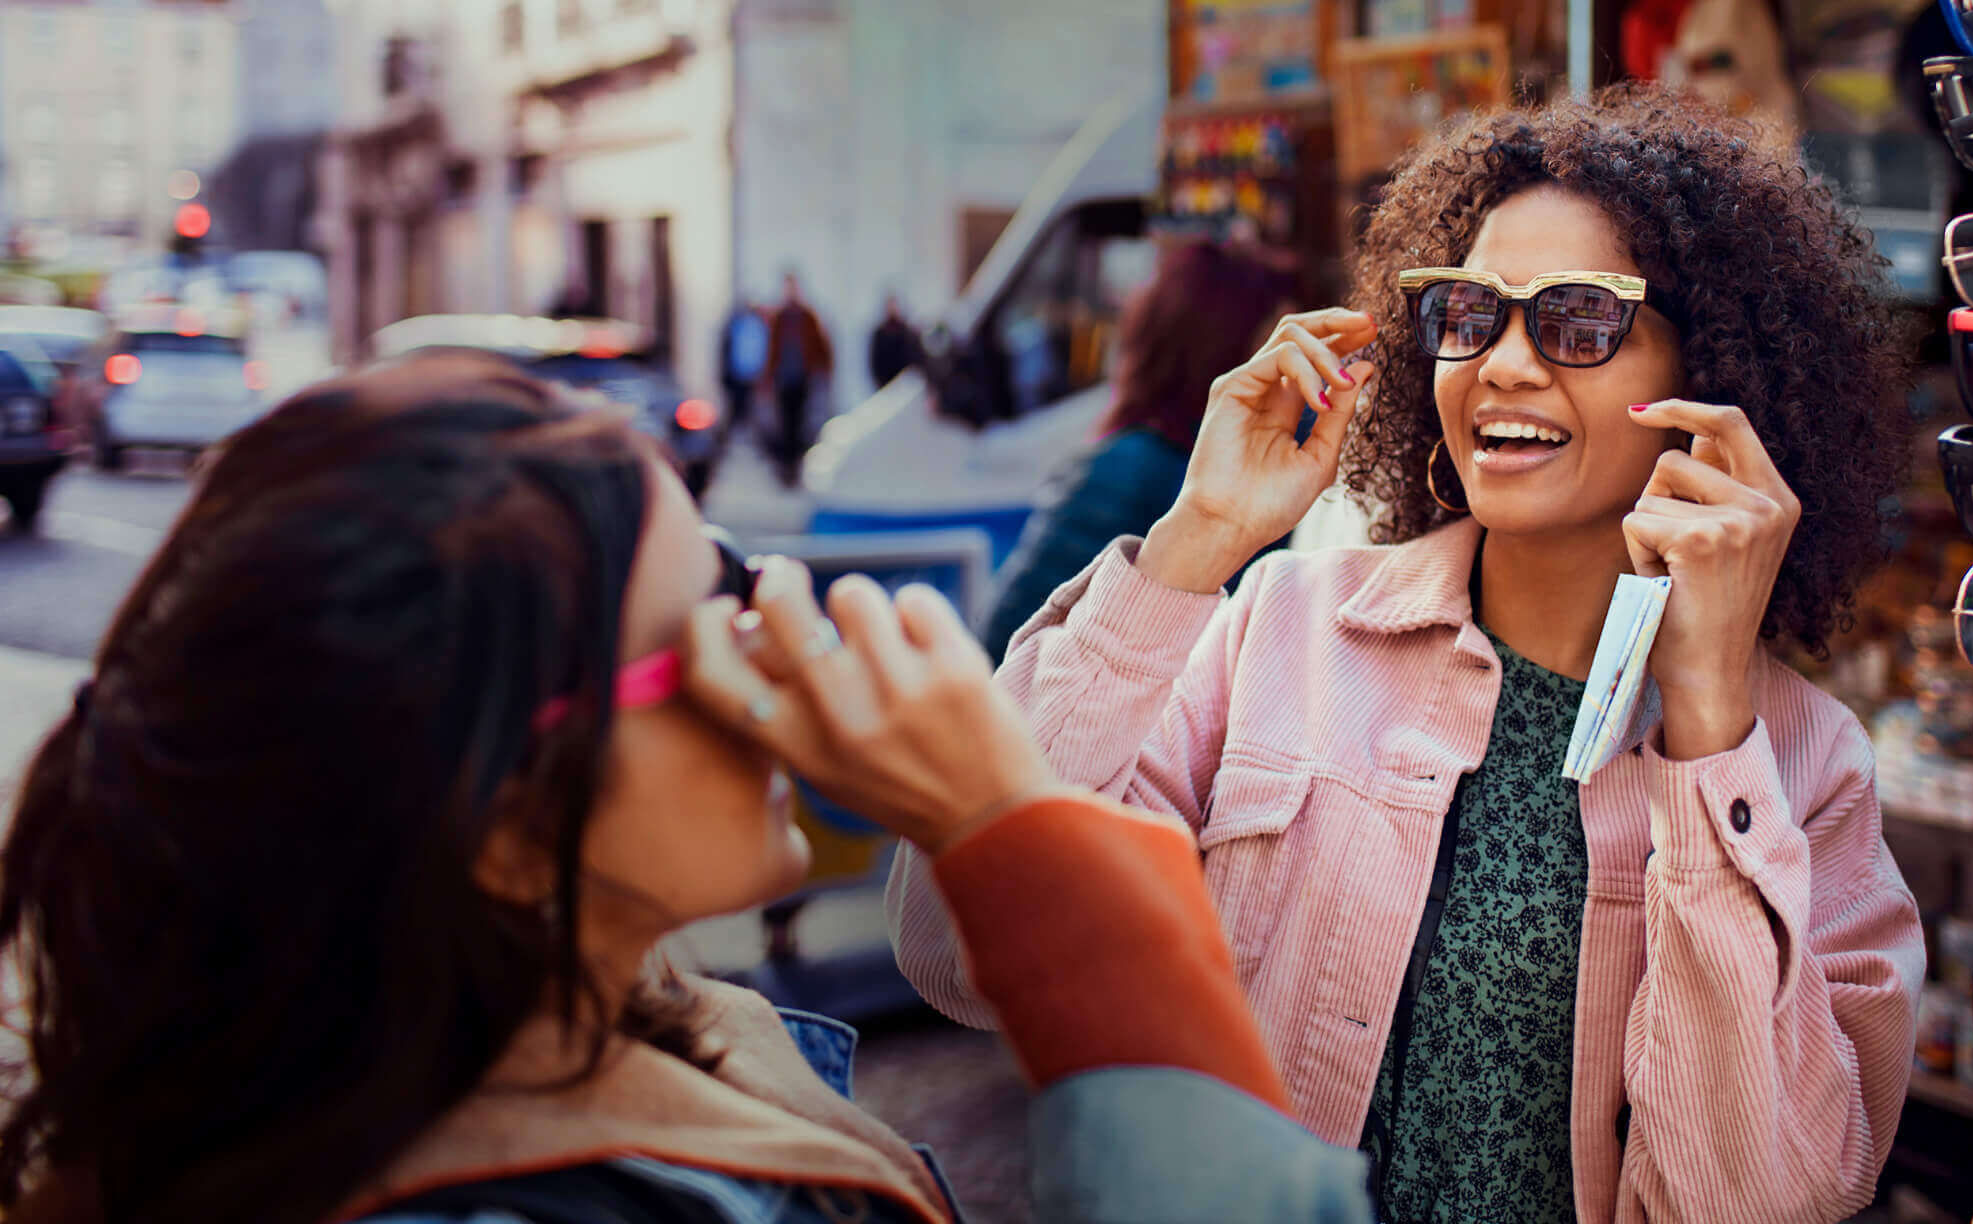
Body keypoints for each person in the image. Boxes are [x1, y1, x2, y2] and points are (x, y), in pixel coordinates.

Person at [0, 352, 1378, 1224]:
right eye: (706, 615)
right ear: (507, 822)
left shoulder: (582, 1044)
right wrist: (1011, 841)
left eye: (737, 566)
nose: (784, 633)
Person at [892, 87, 1926, 1224]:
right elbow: (953, 949)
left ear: (1712, 371)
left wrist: (1708, 720)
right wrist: (1199, 539)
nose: (1509, 365)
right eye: (1471, 312)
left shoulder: (1796, 761)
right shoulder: (1278, 628)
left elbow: (1759, 1196)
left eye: (1579, 318)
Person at [979, 241, 1294, 656]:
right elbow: (1008, 646)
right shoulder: (1134, 468)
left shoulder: (1230, 466)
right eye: (1273, 346)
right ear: (1225, 349)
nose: (1289, 372)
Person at [765, 272, 834, 486]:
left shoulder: (807, 317)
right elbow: (771, 351)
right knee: (785, 426)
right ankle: (786, 470)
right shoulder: (779, 318)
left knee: (802, 424)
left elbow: (822, 347)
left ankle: (798, 467)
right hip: (784, 380)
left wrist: (823, 372)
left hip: (802, 379)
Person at [720, 296, 770, 451]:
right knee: (738, 407)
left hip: (754, 373)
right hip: (738, 373)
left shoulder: (758, 325)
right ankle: (739, 440)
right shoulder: (738, 325)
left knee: (752, 408)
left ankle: (752, 440)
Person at [869, 294, 924, 392]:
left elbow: (913, 357)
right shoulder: (880, 333)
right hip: (885, 385)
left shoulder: (906, 331)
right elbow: (875, 361)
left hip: (905, 384)